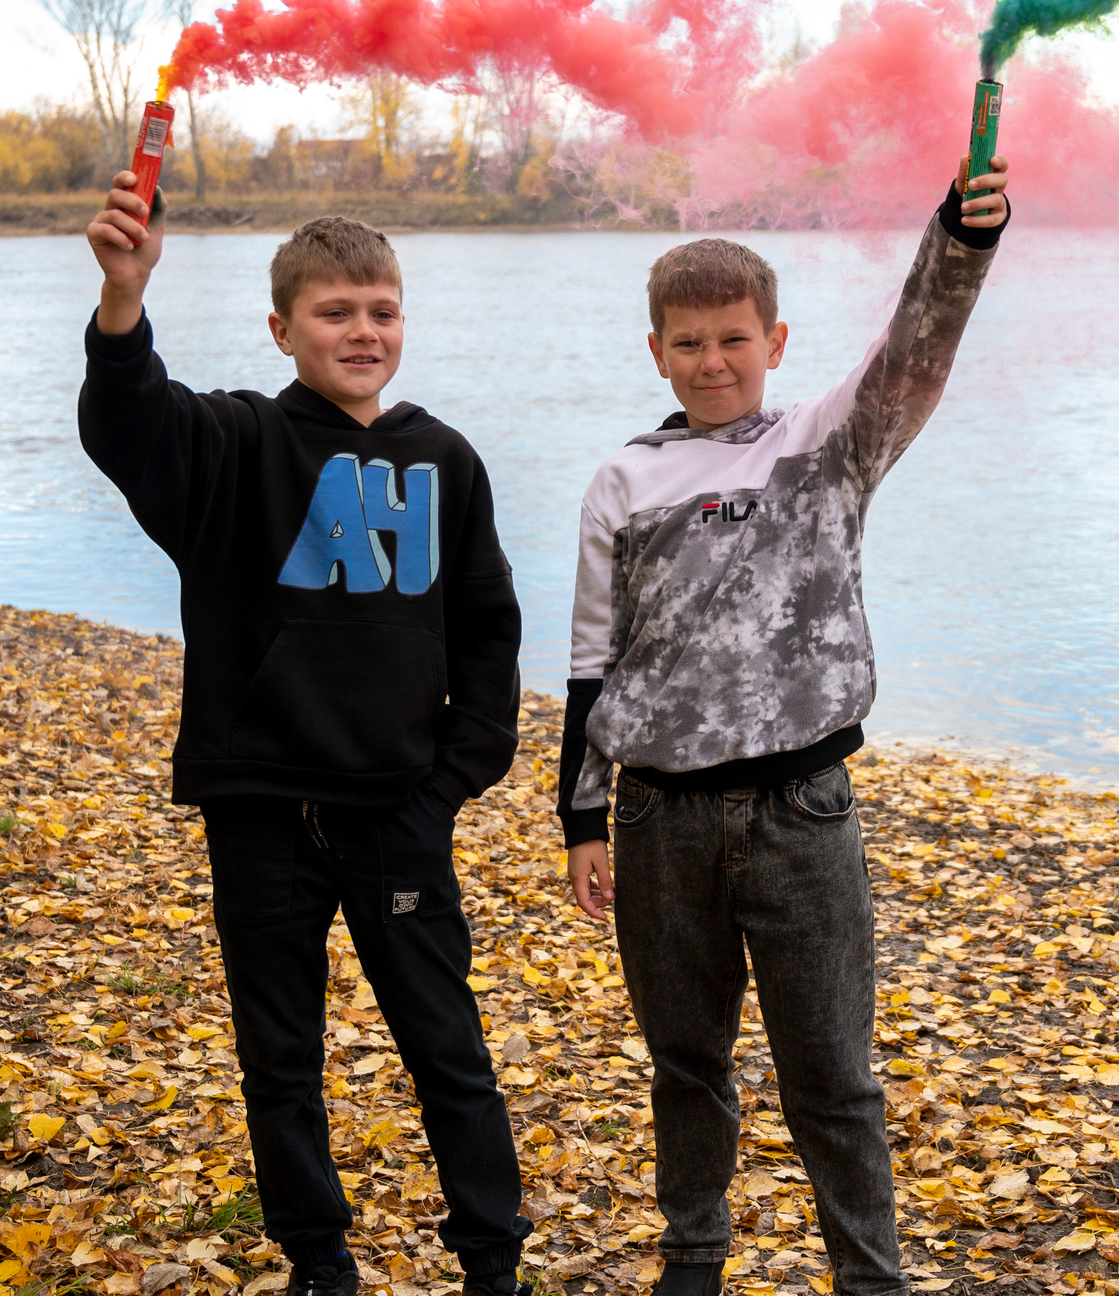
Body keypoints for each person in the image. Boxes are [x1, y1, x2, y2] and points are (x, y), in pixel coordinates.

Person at [556, 152, 1013, 1296]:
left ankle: (870, 1278)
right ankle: (693, 1262)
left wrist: (958, 240)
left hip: (804, 815)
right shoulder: (623, 477)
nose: (713, 361)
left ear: (776, 340)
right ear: (656, 351)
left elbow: (918, 350)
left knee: (832, 1076)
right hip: (659, 818)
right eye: (688, 342)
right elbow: (589, 660)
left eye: (734, 338)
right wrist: (583, 817)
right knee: (686, 1066)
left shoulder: (829, 445)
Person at [79, 174, 533, 1296]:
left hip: (399, 816)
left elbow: (486, 633)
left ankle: (490, 1259)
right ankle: (319, 1261)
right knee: (280, 1060)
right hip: (261, 816)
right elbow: (126, 423)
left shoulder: (446, 459)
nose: (362, 332)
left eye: (381, 310)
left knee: (451, 1056)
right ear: (283, 328)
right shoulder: (230, 446)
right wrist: (123, 299)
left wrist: (447, 786)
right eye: (335, 313)